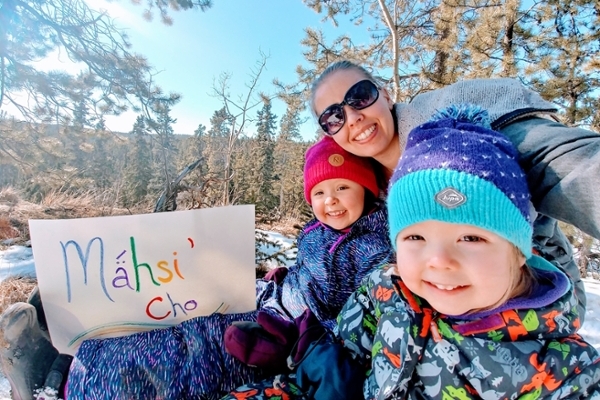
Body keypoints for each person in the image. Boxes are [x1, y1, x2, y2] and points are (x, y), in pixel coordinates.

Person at [0, 136, 394, 400]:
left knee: (187, 352)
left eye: (342, 187)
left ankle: (54, 387)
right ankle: (70, 339)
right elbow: (311, 276)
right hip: (266, 303)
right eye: (320, 192)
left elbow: (357, 321)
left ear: (367, 188)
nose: (331, 201)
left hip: (281, 337)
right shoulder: (324, 231)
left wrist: (300, 341)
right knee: (175, 316)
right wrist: (282, 277)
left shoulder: (376, 248)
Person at [335, 105, 600, 399]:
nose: (439, 261)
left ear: (519, 250)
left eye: (470, 237)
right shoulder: (386, 290)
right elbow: (337, 360)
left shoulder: (563, 373)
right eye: (415, 236)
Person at [309, 60, 600, 320]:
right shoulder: (362, 187)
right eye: (334, 118)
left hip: (538, 297)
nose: (353, 117)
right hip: (449, 310)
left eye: (360, 97)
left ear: (385, 94)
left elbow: (568, 166)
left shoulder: (461, 137)